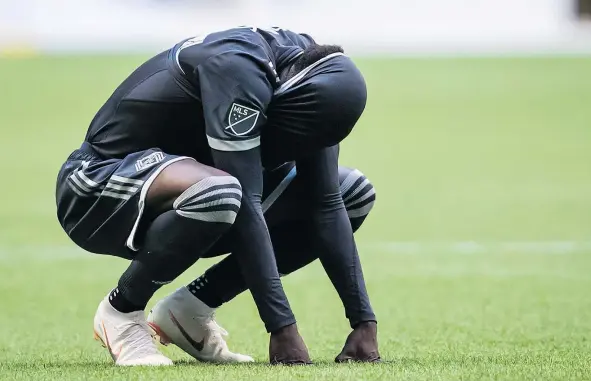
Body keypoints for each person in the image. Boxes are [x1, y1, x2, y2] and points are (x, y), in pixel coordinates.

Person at [55, 26, 380, 366]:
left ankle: (189, 311)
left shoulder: (311, 75)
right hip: (95, 185)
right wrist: (282, 327)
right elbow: (245, 204)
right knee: (222, 191)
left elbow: (326, 203)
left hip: (189, 191)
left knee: (352, 193)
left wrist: (363, 322)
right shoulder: (237, 67)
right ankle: (121, 311)